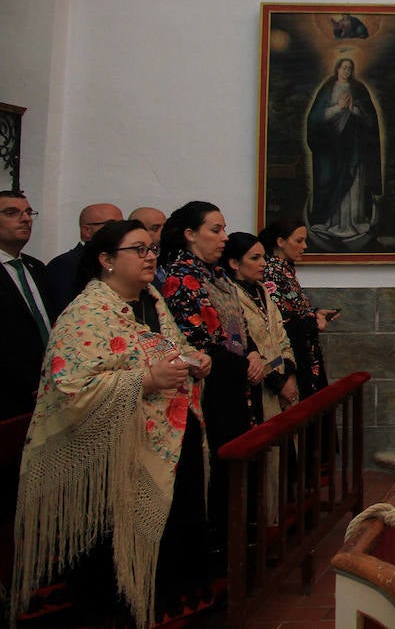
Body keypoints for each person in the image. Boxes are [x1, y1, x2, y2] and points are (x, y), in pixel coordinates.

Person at [10, 219, 211, 628]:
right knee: (111, 573)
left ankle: (159, 604)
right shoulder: (86, 314)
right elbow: (71, 388)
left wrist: (194, 359)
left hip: (168, 442)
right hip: (113, 460)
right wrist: (147, 380)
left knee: (171, 544)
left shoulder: (152, 300)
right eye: (138, 249)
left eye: (152, 248)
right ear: (106, 260)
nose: (150, 256)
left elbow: (170, 349)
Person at [159, 200, 260, 557]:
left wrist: (252, 352)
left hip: (234, 382)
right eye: (215, 230)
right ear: (189, 234)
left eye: (223, 229)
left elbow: (238, 328)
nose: (224, 237)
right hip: (210, 389)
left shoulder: (216, 274)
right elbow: (195, 341)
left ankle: (236, 534)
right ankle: (218, 543)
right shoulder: (179, 276)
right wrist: (238, 359)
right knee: (217, 464)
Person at [221, 232, 298, 523]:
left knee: (284, 458)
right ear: (233, 263)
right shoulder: (230, 295)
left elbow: (280, 334)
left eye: (263, 257)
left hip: (283, 383)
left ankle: (280, 520)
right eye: (255, 258)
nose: (263, 263)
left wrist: (288, 374)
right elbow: (242, 342)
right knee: (264, 460)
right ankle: (265, 526)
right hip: (260, 388)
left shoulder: (263, 291)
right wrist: (276, 381)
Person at [306, 57, 382, 248]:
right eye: (344, 67)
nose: (346, 71)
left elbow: (370, 120)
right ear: (337, 69)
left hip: (354, 146)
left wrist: (354, 109)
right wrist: (337, 108)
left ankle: (354, 222)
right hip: (332, 148)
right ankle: (329, 222)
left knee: (354, 183)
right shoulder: (327, 89)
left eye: (350, 68)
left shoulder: (359, 89)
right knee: (330, 181)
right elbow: (316, 118)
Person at [259, 217, 333, 399]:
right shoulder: (271, 272)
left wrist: (314, 314)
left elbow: (294, 308)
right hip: (291, 354)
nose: (305, 246)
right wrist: (313, 323)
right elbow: (282, 320)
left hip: (305, 352)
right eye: (299, 241)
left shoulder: (285, 270)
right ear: (280, 242)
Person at [0, 190, 56, 419]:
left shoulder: (37, 268)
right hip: (8, 395)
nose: (25, 219)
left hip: (48, 391)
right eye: (12, 213)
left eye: (28, 212)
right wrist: (28, 381)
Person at [46, 201, 123, 312]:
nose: (121, 231)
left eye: (122, 225)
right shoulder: (64, 265)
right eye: (112, 225)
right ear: (87, 231)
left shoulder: (119, 260)